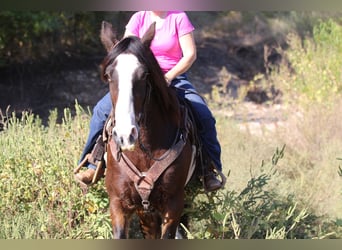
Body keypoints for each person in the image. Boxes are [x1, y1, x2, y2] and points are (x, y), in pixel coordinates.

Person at [75, 11, 223, 192]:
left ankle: (208, 169)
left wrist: (168, 77)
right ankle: (92, 164)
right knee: (100, 111)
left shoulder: (178, 17)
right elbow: (127, 50)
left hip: (173, 77)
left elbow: (190, 55)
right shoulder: (139, 18)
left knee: (203, 115)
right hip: (139, 79)